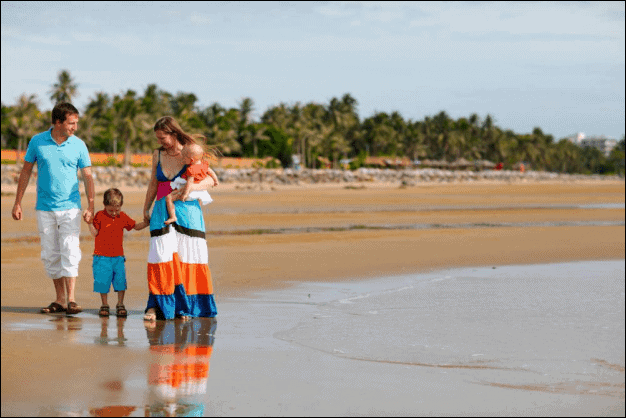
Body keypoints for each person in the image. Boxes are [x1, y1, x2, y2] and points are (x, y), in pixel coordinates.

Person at [11, 102, 95, 315]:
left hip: (71, 208)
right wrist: (17, 202)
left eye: (76, 123)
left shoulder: (79, 145)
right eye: (71, 123)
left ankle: (72, 299)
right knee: (50, 253)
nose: (74, 127)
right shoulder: (37, 141)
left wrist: (91, 205)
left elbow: (87, 176)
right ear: (57, 122)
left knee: (70, 250)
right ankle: (60, 300)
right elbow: (26, 171)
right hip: (44, 207)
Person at [142, 116, 219, 321]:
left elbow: (211, 179)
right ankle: (156, 306)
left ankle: (185, 306)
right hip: (162, 208)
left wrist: (189, 187)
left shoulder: (190, 151)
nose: (160, 142)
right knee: (160, 257)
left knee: (188, 257)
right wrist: (145, 208)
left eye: (163, 137)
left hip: (188, 212)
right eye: (157, 138)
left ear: (174, 133)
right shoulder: (157, 154)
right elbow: (153, 183)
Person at [87, 188, 149, 317]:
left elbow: (135, 227)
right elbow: (95, 233)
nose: (114, 213)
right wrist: (89, 223)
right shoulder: (99, 215)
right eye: (111, 210)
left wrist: (147, 223)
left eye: (117, 210)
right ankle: (104, 304)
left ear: (121, 206)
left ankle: (120, 304)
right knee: (102, 282)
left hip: (118, 257)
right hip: (101, 257)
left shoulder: (123, 216)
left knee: (120, 282)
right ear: (105, 205)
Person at [164, 143, 218, 226]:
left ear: (191, 160)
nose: (182, 158)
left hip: (190, 191)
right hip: (202, 191)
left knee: (169, 198)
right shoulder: (204, 164)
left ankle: (172, 216)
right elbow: (211, 172)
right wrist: (216, 180)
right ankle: (198, 211)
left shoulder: (191, 169)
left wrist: (184, 194)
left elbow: (189, 183)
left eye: (184, 157)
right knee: (198, 201)